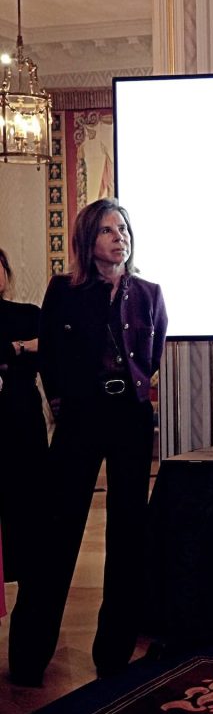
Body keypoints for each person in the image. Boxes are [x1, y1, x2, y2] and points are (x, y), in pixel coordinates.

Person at [8, 198, 168, 686]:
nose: (120, 237)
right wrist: (64, 403)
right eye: (108, 230)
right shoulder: (64, 290)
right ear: (87, 239)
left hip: (131, 417)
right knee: (56, 532)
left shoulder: (149, 293)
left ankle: (114, 653)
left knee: (128, 534)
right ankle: (29, 657)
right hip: (81, 416)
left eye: (124, 229)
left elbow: (152, 355)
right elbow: (51, 356)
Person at [0, 248, 48, 586]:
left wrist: (12, 351)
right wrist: (19, 347)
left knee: (29, 489)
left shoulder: (29, 313)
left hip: (22, 409)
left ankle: (30, 566)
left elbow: (50, 348)